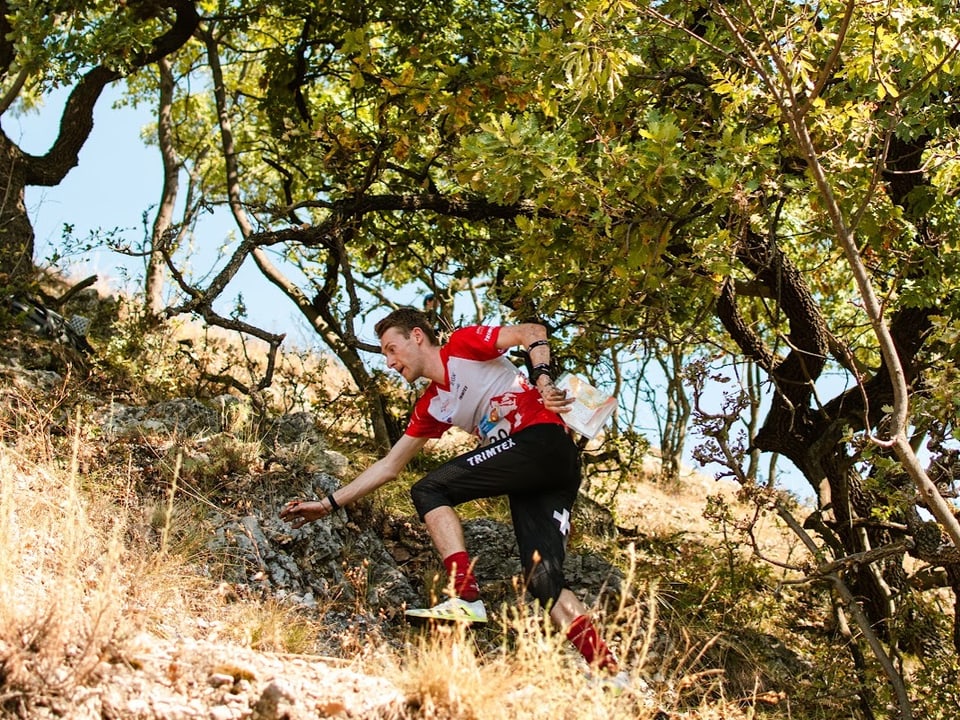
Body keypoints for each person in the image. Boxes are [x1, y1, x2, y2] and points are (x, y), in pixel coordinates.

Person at [280, 307, 620, 677]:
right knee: (544, 581)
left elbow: (531, 330)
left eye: (392, 349)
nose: (391, 363)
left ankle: (465, 596)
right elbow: (389, 466)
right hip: (541, 472)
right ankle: (613, 674)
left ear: (417, 336)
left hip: (543, 441)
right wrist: (328, 504)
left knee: (430, 488)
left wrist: (542, 382)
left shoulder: (462, 345)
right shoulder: (432, 405)